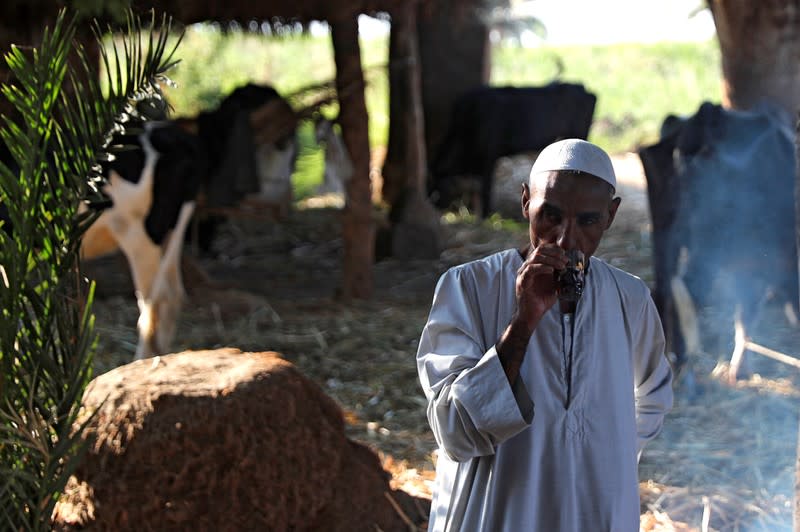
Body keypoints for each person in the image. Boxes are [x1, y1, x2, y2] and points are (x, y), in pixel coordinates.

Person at [416, 138, 673, 531]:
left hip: (595, 511)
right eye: (550, 215)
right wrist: (524, 320)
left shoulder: (631, 299)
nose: (566, 239)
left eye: (588, 220)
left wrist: (600, 460)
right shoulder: (467, 288)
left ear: (611, 215)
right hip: (497, 511)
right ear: (525, 202)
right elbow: (453, 430)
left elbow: (652, 400)